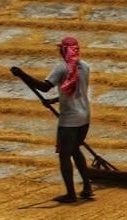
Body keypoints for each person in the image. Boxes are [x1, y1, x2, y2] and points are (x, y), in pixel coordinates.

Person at [11, 36, 93, 203]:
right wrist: (55, 101)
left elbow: (44, 87)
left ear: (63, 50)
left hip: (69, 119)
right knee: (75, 149)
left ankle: (71, 195)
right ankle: (87, 187)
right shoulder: (85, 67)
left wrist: (22, 74)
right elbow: (75, 91)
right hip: (84, 115)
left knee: (64, 155)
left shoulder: (61, 68)